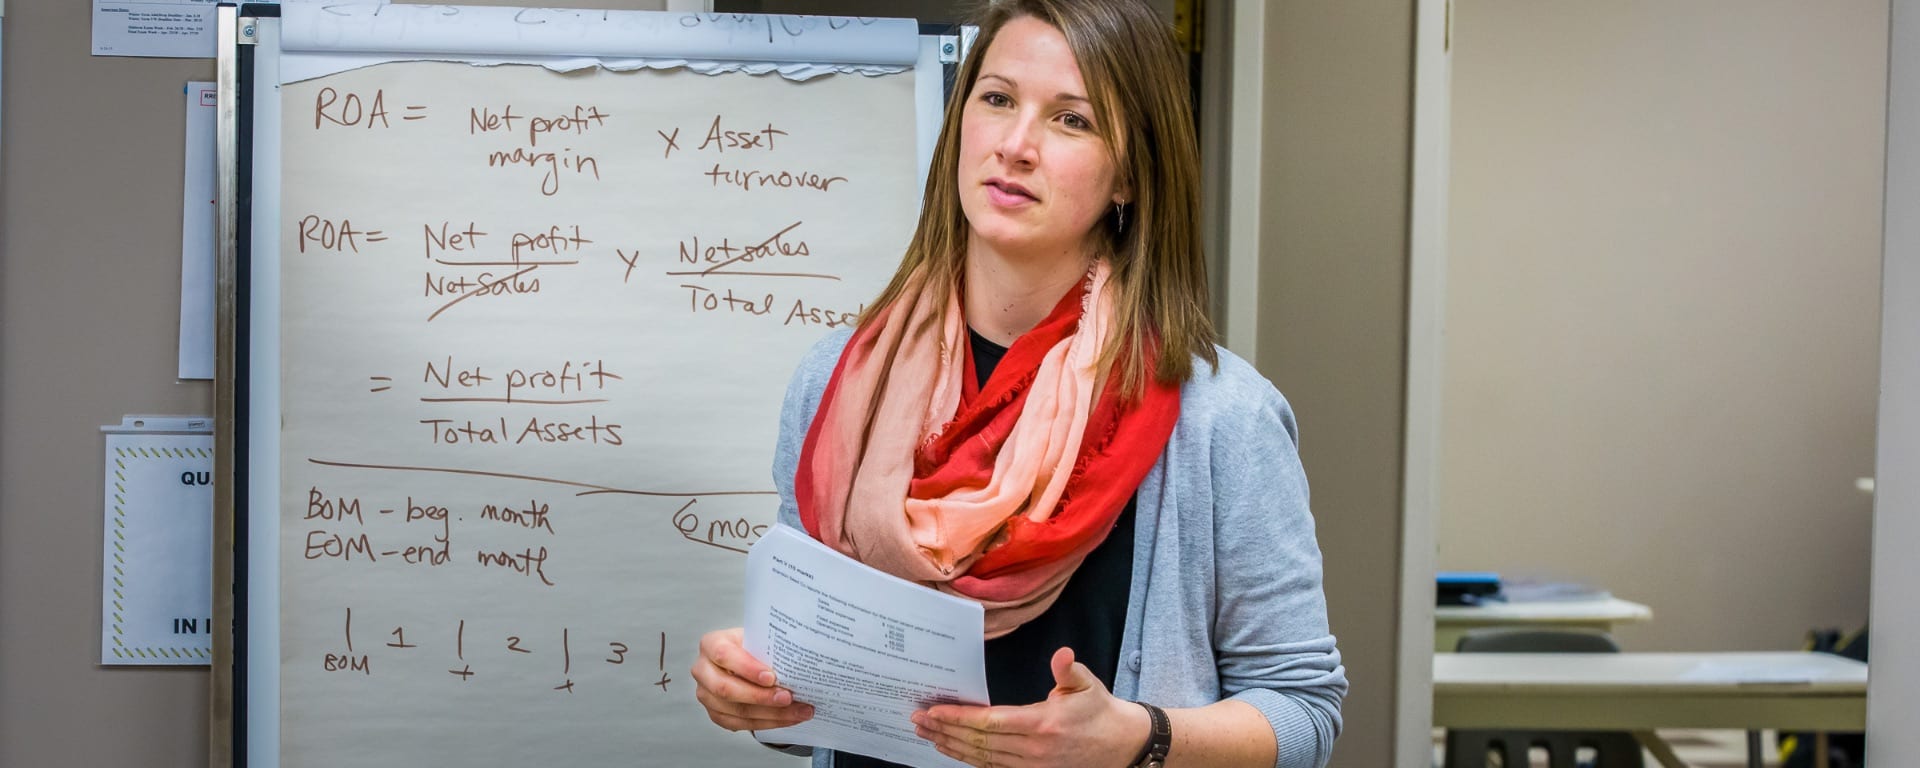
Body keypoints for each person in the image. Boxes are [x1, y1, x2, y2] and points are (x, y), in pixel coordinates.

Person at [691, 1, 1346, 766]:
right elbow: (807, 704)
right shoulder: (838, 382)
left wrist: (1141, 738)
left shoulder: (1220, 417)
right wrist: (758, 697)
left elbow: (1305, 712)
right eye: (998, 99)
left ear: (1130, 175)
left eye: (1072, 120)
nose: (1015, 145)